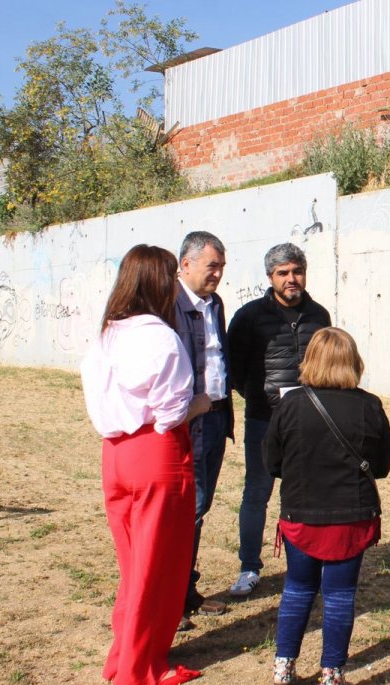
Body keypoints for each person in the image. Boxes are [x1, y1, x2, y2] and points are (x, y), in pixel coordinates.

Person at [80, 244, 210, 685]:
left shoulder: (105, 335)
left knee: (134, 565)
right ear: (158, 283)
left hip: (116, 454)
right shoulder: (160, 336)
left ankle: (126, 655)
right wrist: (201, 404)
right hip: (157, 454)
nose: (175, 285)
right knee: (158, 567)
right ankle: (138, 667)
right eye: (171, 277)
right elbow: (171, 413)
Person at [263, 328, 390, 685]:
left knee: (297, 589)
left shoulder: (290, 404)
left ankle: (283, 667)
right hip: (350, 516)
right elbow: (382, 465)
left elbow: (272, 462)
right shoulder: (369, 406)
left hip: (301, 513)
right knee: (339, 595)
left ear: (310, 360)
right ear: (353, 362)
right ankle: (332, 673)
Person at [227, 243, 331, 597]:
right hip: (264, 420)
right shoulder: (249, 316)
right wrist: (261, 398)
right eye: (283, 273)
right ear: (270, 277)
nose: (291, 279)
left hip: (309, 421)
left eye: (297, 271)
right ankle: (249, 566)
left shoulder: (319, 315)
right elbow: (235, 369)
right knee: (257, 492)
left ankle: (307, 564)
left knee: (308, 494)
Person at [172, 231, 234, 631]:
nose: (218, 274)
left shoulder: (215, 304)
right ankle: (172, 600)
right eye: (212, 266)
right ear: (186, 264)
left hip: (215, 417)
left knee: (200, 507)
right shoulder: (168, 305)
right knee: (186, 512)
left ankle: (186, 591)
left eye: (222, 267)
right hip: (186, 422)